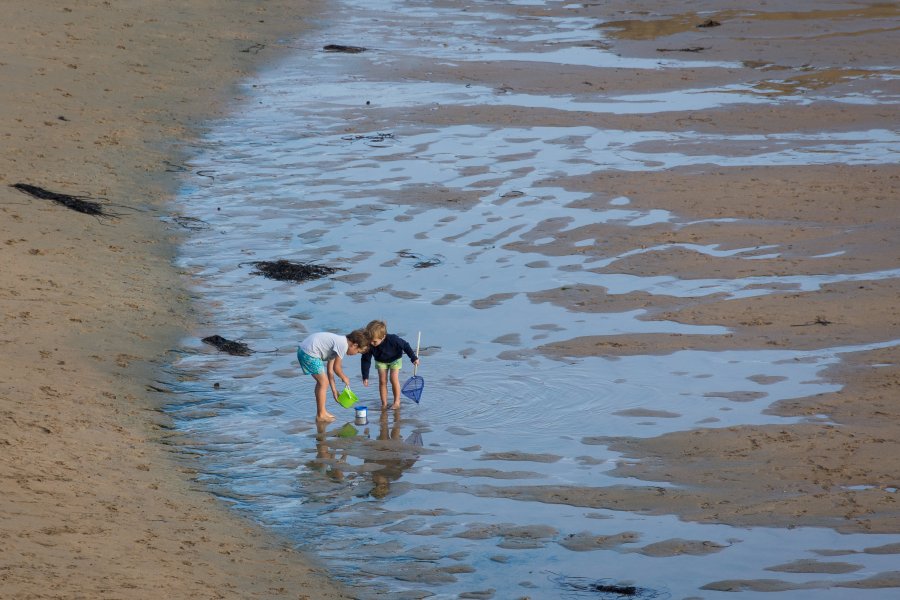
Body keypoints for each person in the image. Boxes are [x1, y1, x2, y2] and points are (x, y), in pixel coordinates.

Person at [297, 329, 369, 422]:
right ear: (354, 345)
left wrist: (334, 391)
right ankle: (320, 414)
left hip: (305, 351)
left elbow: (330, 371)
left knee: (322, 382)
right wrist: (344, 377)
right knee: (323, 382)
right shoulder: (343, 345)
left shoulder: (338, 344)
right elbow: (337, 368)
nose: (355, 354)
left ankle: (322, 411)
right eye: (358, 351)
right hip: (308, 353)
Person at [361, 320, 419, 410]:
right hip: (380, 361)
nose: (372, 344)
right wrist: (365, 376)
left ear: (383, 337)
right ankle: (384, 403)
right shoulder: (370, 345)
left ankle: (397, 402)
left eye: (374, 341)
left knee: (393, 378)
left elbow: (405, 346)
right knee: (382, 381)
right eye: (370, 341)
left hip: (395, 359)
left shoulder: (393, 340)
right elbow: (366, 360)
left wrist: (413, 358)